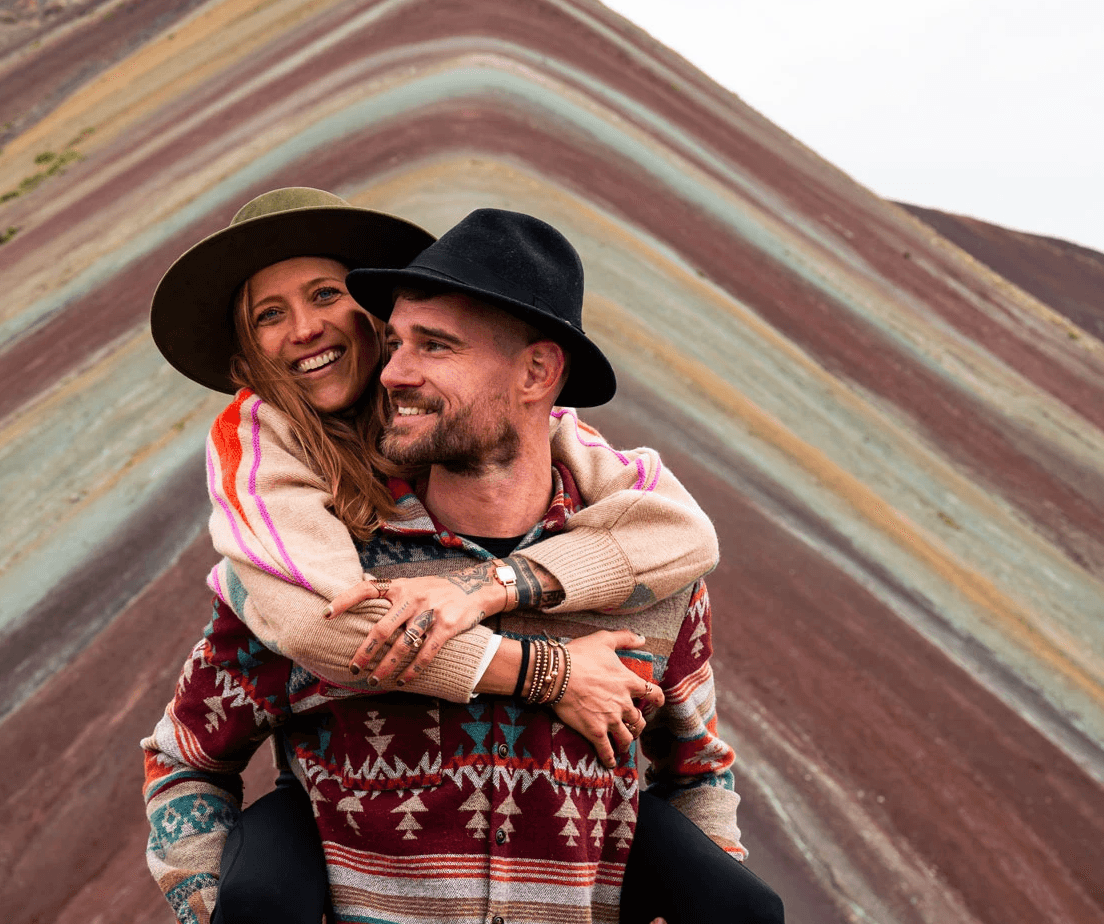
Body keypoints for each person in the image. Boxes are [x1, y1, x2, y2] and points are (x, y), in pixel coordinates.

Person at [144, 193, 783, 923]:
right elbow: (190, 753)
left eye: (431, 346)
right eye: (399, 342)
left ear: (539, 374)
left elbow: (699, 770)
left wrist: (496, 586)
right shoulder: (313, 558)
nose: (393, 372)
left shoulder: (645, 571)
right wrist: (209, 907)